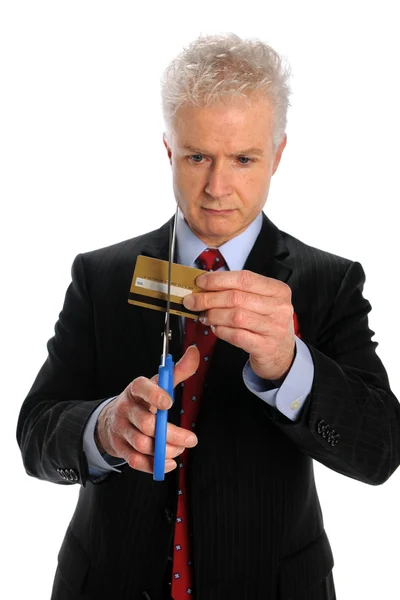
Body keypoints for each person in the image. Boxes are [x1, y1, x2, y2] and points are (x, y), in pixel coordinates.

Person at [16, 33, 400, 600]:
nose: (218, 189)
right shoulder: (101, 274)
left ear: (278, 154)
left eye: (244, 159)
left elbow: (380, 455)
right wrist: (104, 429)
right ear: (170, 150)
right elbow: (35, 433)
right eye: (198, 157)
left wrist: (290, 366)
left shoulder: (328, 282)